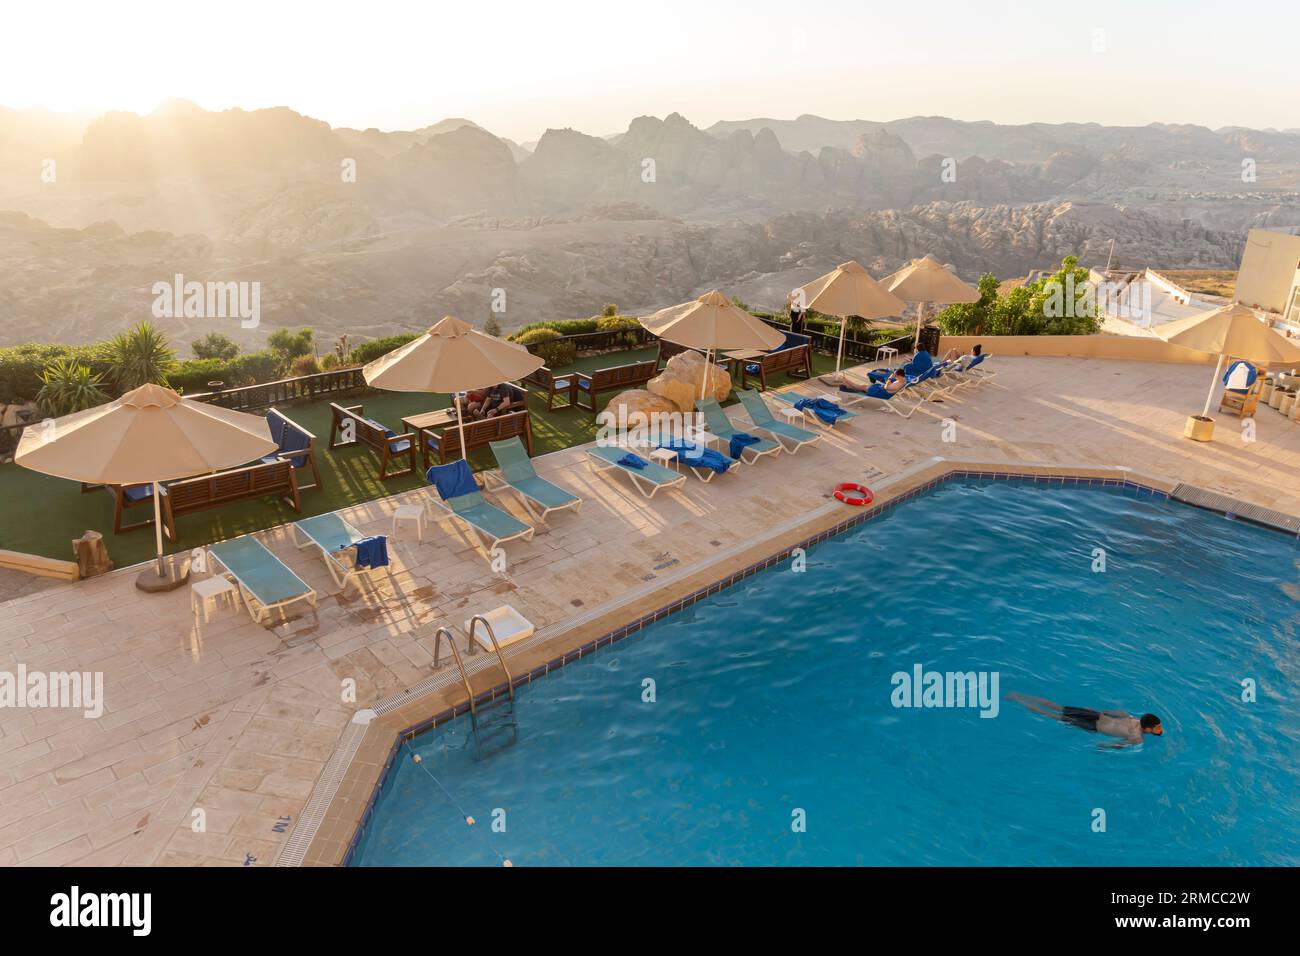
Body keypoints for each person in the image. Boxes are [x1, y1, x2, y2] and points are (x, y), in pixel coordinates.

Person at [1007, 692, 1163, 746]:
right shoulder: (1137, 738)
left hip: (1096, 715)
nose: (1159, 729)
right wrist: (1104, 746)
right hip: (1092, 726)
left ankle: (1018, 696)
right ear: (1147, 728)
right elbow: (1118, 745)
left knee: (1058, 707)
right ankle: (1018, 700)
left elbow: (1113, 712)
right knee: (1053, 715)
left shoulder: (1133, 718)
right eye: (1157, 727)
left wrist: (1101, 711)